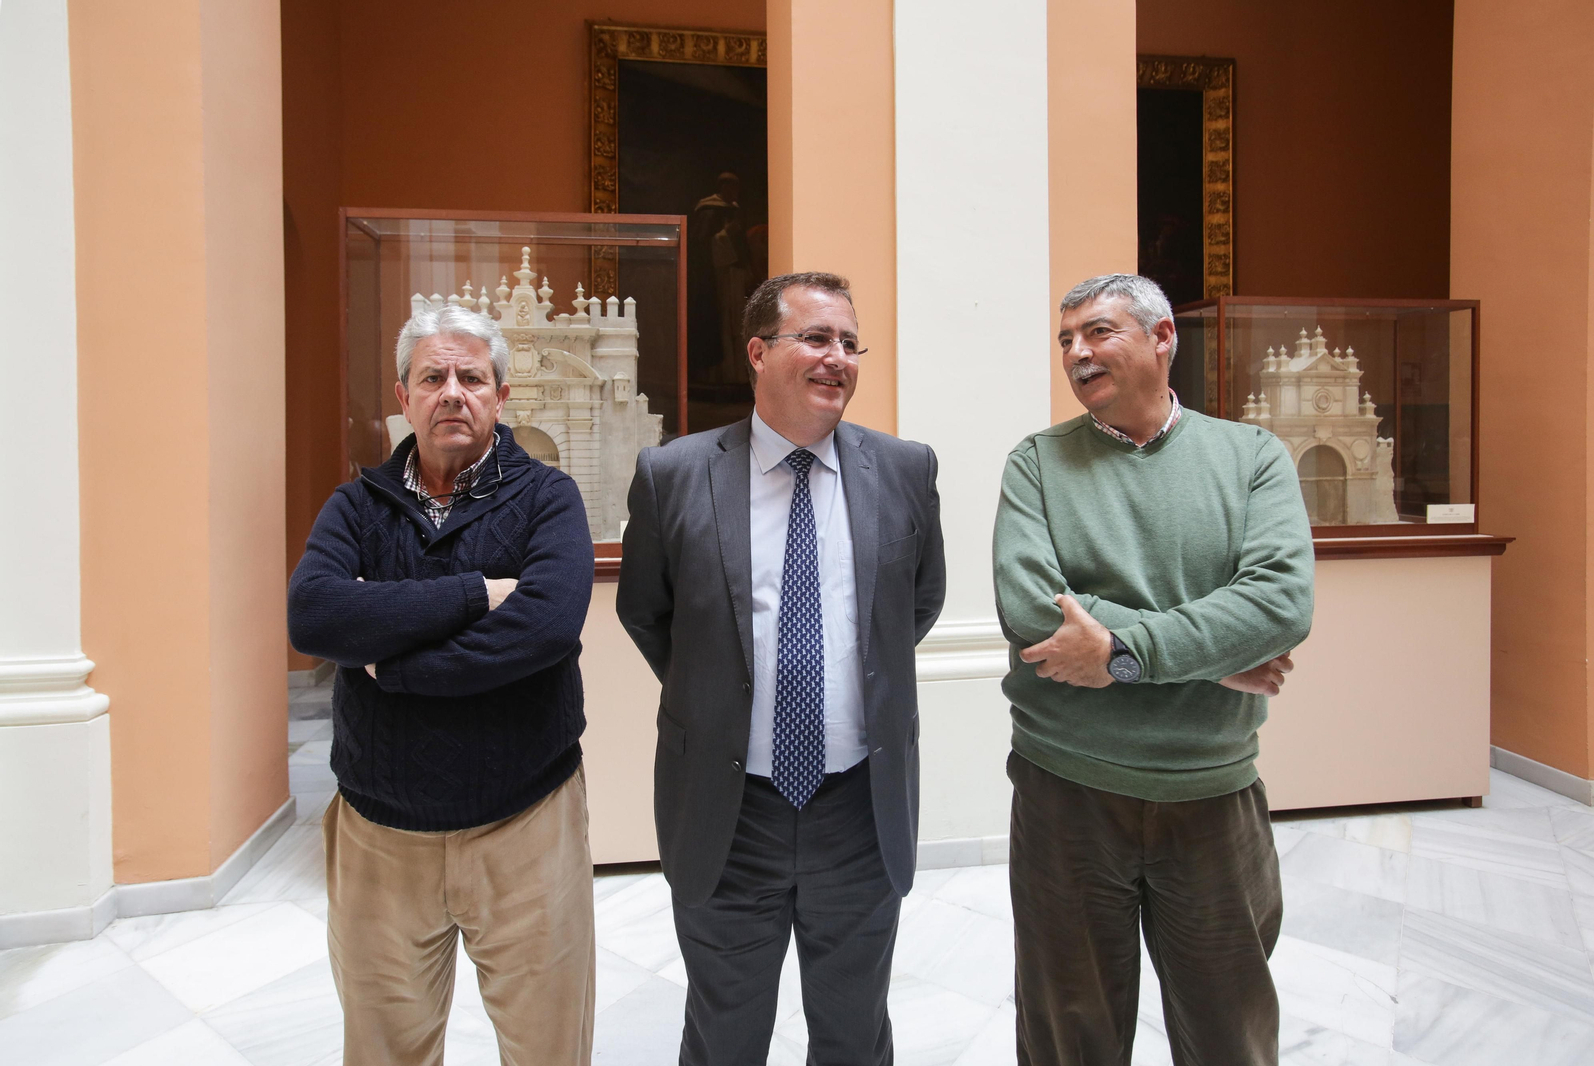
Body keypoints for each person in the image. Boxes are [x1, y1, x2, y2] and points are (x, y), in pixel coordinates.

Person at [617, 271, 946, 1065]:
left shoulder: (906, 469)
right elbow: (647, 613)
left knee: (854, 1030)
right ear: (759, 353)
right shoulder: (674, 475)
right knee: (725, 1032)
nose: (838, 358)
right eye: (816, 338)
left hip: (858, 810)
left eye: (848, 342)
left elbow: (920, 602)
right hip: (729, 812)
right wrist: (726, 694)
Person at [992, 273, 1314, 1066]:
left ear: (1162, 337)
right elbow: (1035, 612)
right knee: (1071, 1033)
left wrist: (1126, 653)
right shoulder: (1037, 463)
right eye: (1066, 339)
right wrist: (1211, 663)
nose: (1076, 353)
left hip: (1210, 794)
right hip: (1067, 793)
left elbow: (1279, 606)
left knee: (1227, 1031)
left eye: (1098, 332)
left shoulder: (1251, 457)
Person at [288, 304, 596, 1066]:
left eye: (471, 376)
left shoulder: (549, 499)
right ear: (404, 397)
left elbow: (545, 628)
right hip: (380, 836)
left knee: (547, 1046)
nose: (452, 392)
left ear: (501, 393)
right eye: (433, 377)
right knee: (385, 1047)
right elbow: (315, 615)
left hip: (525, 826)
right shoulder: (356, 507)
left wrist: (392, 665)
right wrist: (471, 594)